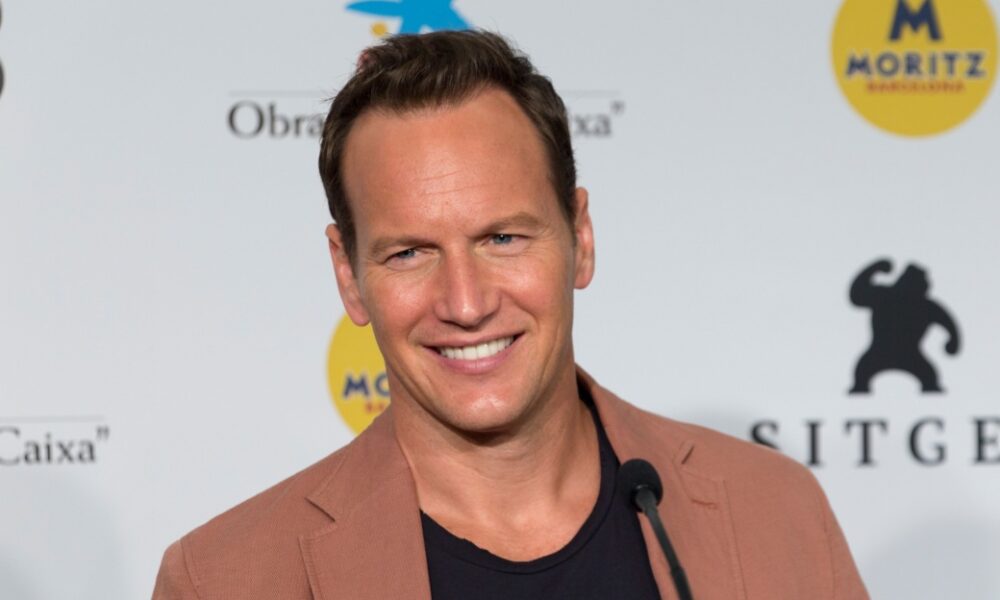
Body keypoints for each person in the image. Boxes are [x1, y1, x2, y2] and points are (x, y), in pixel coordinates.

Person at [153, 31, 868, 599]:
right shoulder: (226, 581)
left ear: (580, 237)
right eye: (409, 253)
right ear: (349, 276)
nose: (466, 304)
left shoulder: (775, 513)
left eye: (502, 238)